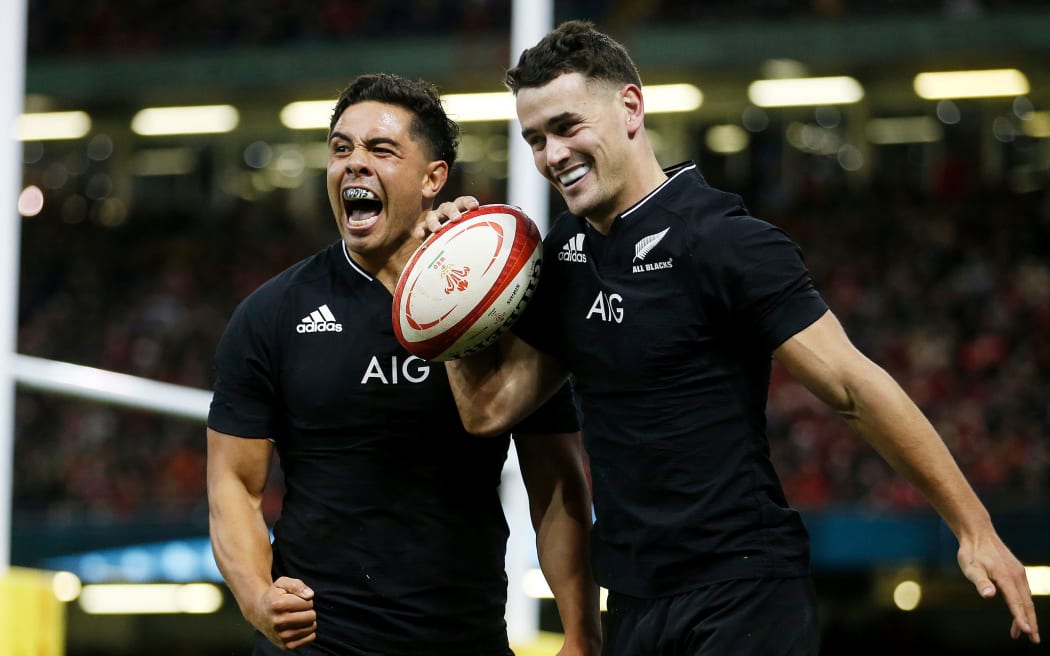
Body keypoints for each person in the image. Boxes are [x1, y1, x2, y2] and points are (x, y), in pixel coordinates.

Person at [422, 20, 1041, 655]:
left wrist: (974, 528)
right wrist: (445, 291)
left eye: (567, 126)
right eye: (534, 139)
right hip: (634, 605)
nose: (552, 154)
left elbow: (852, 386)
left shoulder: (724, 240)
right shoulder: (565, 257)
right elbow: (488, 409)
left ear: (630, 107)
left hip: (742, 593)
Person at [206, 73, 602, 655]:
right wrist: (255, 595)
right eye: (341, 148)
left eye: (380, 149)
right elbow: (232, 484)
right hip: (320, 644)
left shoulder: (503, 306)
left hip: (465, 639)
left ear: (432, 178)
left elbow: (557, 484)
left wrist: (582, 633)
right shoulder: (272, 314)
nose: (354, 164)